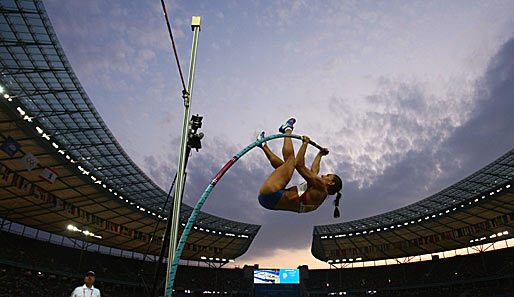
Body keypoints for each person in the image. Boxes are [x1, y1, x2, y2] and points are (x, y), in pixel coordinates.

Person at [257, 118, 343, 217]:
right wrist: (320, 154)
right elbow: (314, 171)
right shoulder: (318, 192)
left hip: (272, 194)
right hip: (269, 201)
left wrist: (305, 144)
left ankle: (287, 129)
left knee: (291, 161)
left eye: (327, 175)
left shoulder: (321, 188)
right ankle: (263, 145)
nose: (323, 175)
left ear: (331, 183)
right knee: (283, 167)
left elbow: (299, 164)